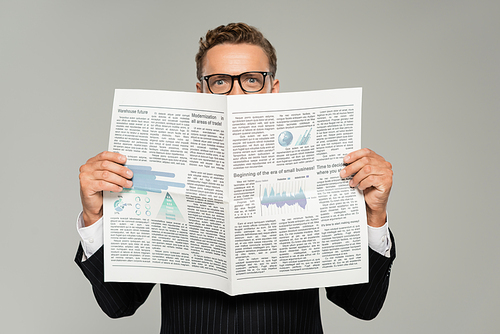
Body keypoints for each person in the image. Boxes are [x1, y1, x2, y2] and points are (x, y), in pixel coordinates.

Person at [76, 23, 395, 333]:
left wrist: (374, 216)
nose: (236, 93)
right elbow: (120, 304)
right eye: (220, 81)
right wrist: (94, 218)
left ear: (274, 88)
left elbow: (361, 306)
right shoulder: (163, 163)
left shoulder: (321, 161)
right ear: (201, 90)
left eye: (252, 80)